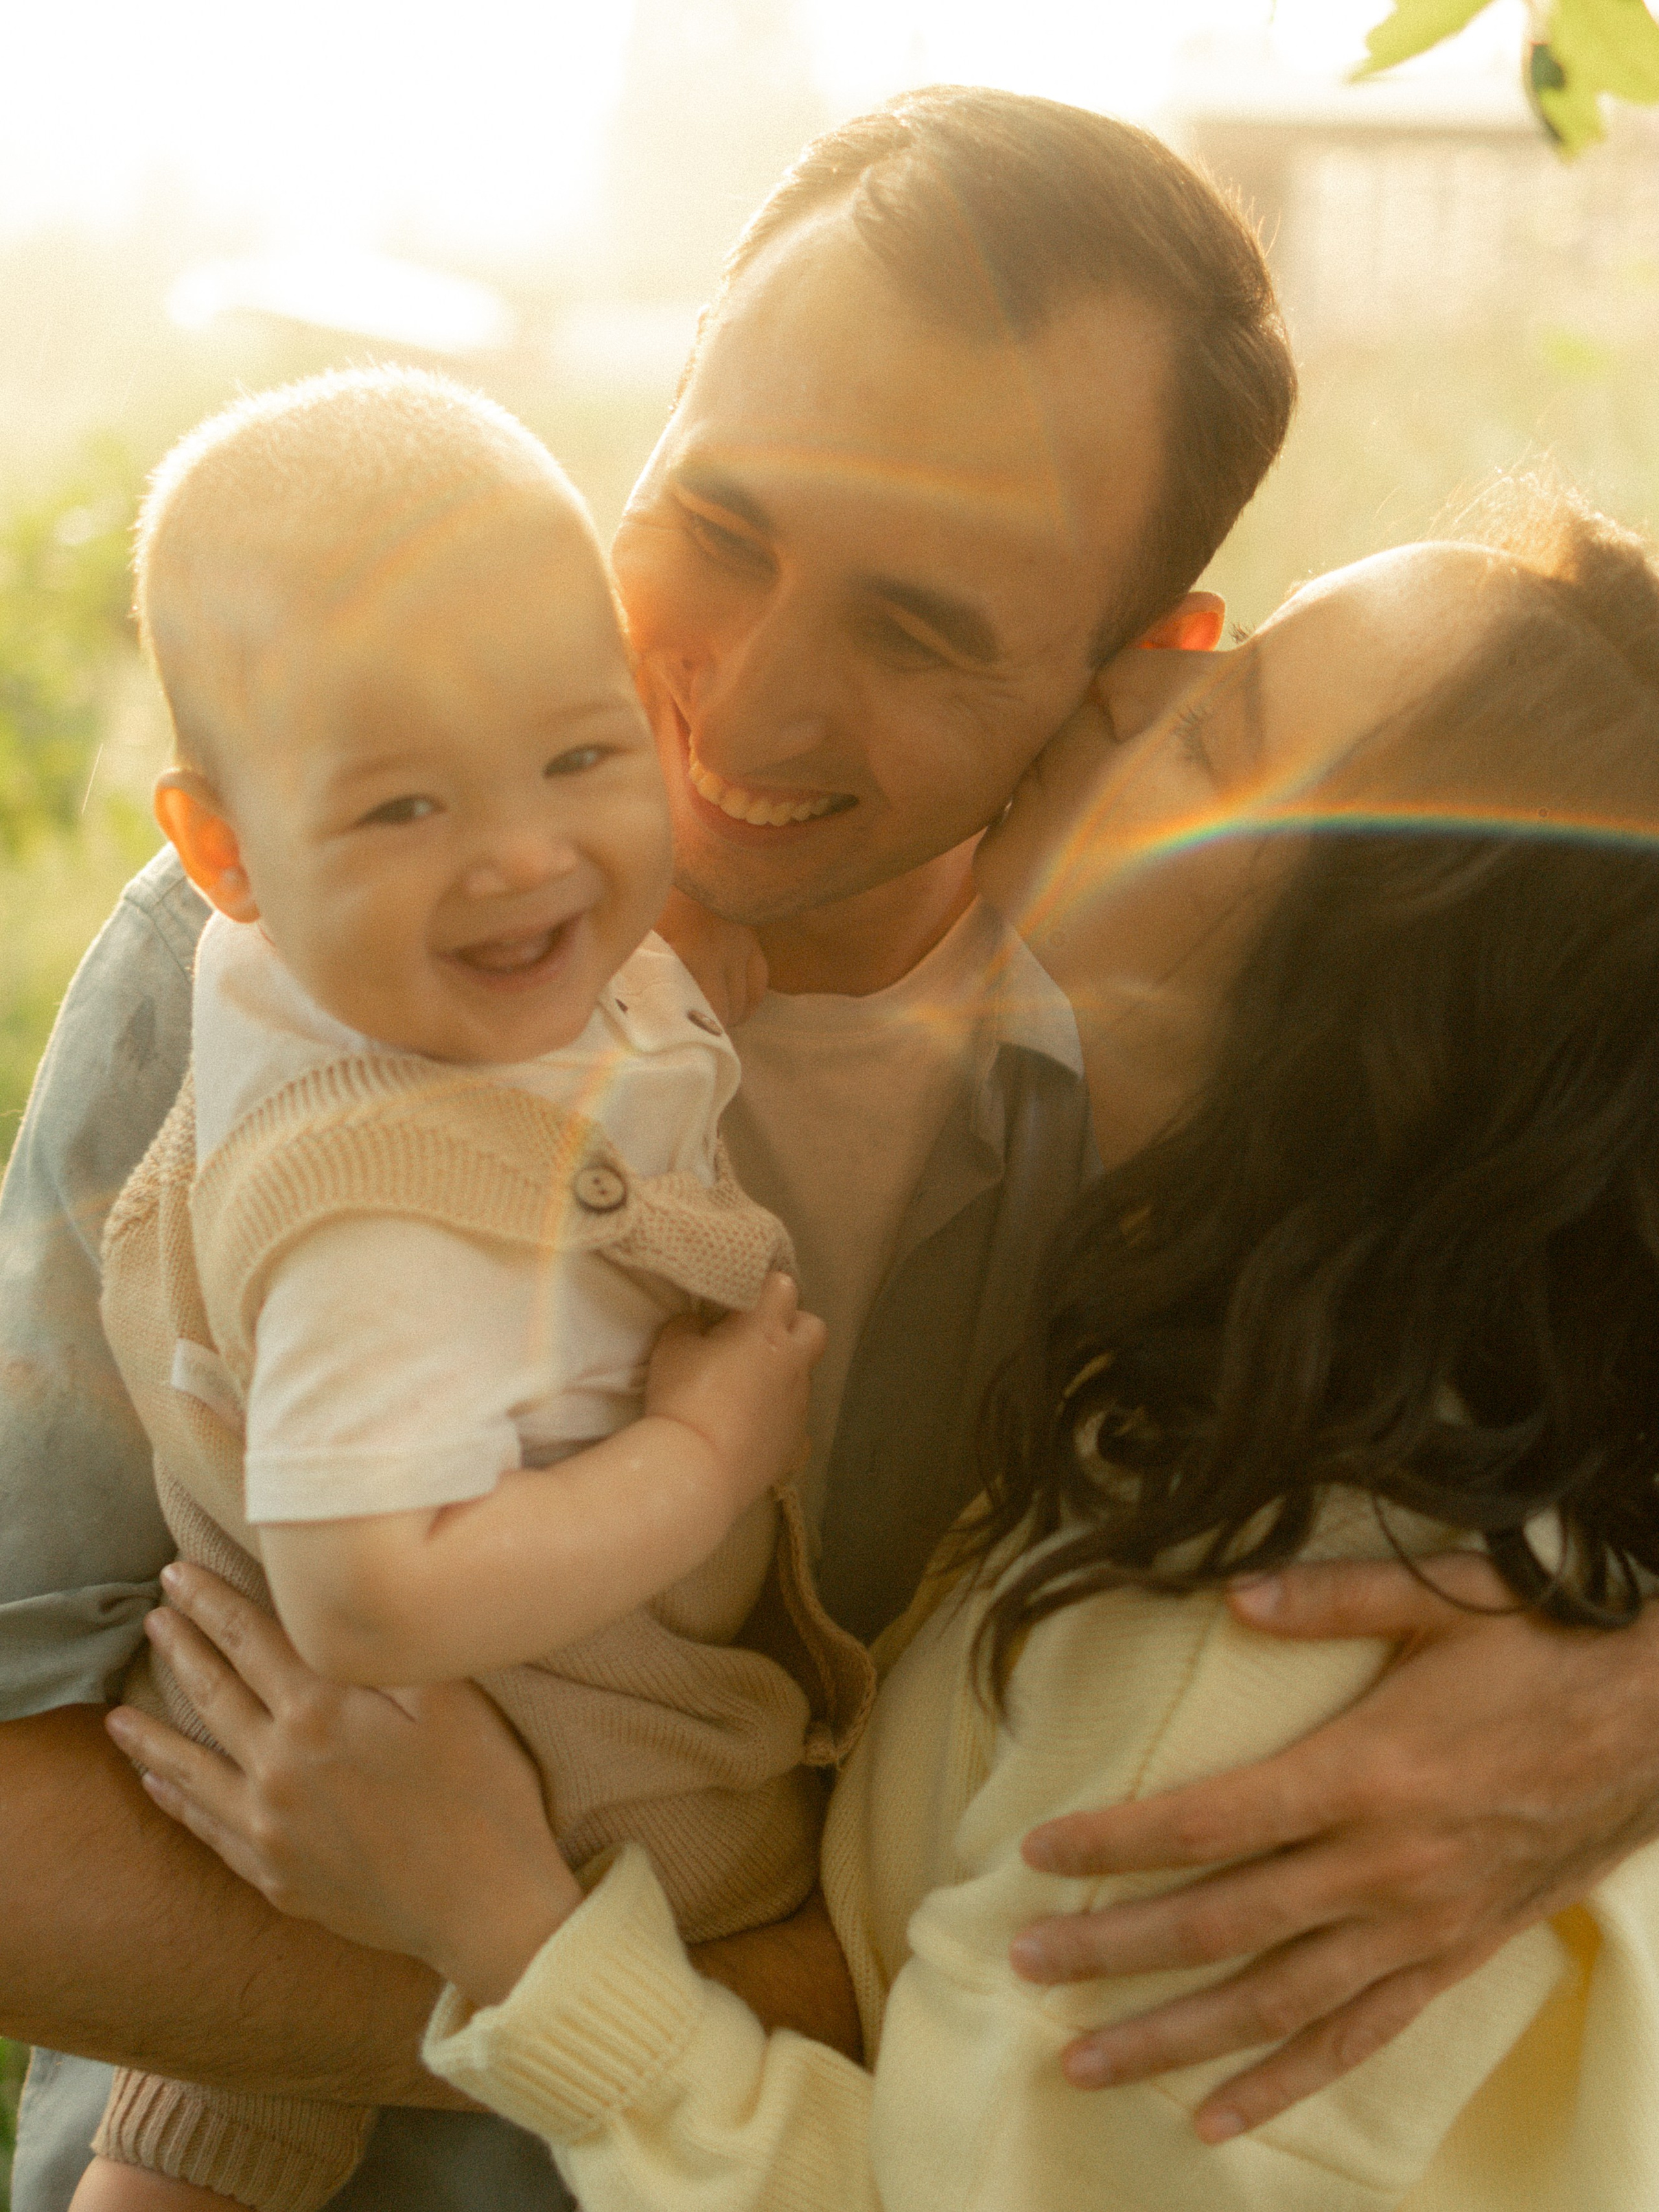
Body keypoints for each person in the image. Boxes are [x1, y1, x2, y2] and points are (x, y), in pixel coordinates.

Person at [3, 83, 1658, 2211]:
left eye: (920, 629)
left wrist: (1626, 1702)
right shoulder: (285, 952)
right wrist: (628, 1981)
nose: (751, 712)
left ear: (1129, 675)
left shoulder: (1210, 1142)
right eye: (720, 526)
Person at [68, 367, 870, 2212]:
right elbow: (366, 1596)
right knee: (834, 2006)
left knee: (211, 2133)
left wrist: (669, 972)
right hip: (567, 1795)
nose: (521, 856)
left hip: (392, 1783)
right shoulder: (374, 1216)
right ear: (223, 855)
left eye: (581, 761)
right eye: (404, 805)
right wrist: (699, 1461)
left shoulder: (364, 982)